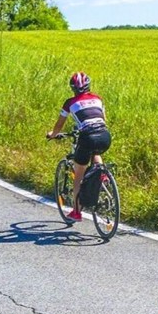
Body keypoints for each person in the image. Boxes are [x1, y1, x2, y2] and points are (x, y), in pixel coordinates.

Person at [46, 72, 111, 222]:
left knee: (78, 175)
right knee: (95, 151)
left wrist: (53, 134)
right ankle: (102, 174)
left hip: (87, 136)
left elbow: (59, 125)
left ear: (73, 88)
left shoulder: (70, 103)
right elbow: (103, 119)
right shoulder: (98, 98)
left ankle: (76, 212)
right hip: (105, 135)